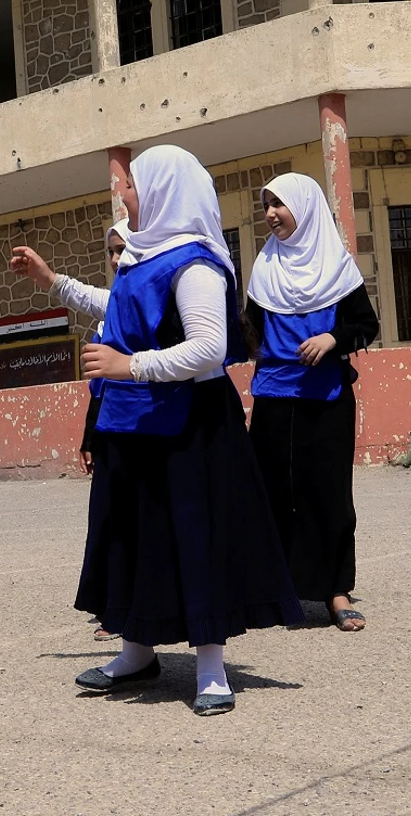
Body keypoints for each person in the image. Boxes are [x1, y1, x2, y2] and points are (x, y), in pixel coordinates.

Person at [71, 144, 300, 716]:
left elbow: (207, 349)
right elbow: (124, 310)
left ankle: (211, 667)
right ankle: (136, 652)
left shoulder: (194, 261)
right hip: (135, 424)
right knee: (135, 535)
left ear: (162, 191)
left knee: (196, 538)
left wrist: (129, 366)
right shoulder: (142, 257)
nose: (123, 196)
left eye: (131, 186)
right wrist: (56, 283)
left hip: (190, 427)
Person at [245, 173, 380, 633]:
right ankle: (273, 591)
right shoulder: (263, 270)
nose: (269, 215)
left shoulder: (338, 269)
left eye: (277, 204)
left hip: (326, 400)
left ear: (304, 207)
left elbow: (367, 325)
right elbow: (249, 331)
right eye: (265, 206)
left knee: (328, 495)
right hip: (273, 401)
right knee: (271, 494)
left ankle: (336, 592)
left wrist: (332, 337)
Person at [10, 218, 130, 640]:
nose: (116, 259)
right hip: (111, 426)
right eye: (111, 251)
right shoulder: (112, 313)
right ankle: (114, 606)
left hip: (150, 428)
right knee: (109, 521)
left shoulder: (152, 303)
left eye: (123, 248)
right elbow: (98, 391)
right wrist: (89, 438)